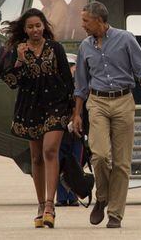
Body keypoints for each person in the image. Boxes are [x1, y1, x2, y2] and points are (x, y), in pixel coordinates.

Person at [72, 1, 141, 228]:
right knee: (98, 155)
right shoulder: (85, 47)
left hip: (123, 101)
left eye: (86, 21)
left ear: (99, 20)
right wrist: (77, 114)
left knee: (122, 163)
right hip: (97, 101)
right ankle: (102, 197)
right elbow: (80, 84)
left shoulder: (126, 38)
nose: (83, 25)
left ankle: (115, 213)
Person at [0, 8, 74, 228]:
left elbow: (67, 79)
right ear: (24, 29)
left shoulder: (55, 48)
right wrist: (20, 61)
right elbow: (12, 81)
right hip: (30, 108)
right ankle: (41, 206)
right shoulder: (17, 50)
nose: (35, 30)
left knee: (50, 150)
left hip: (56, 105)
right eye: (30, 27)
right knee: (36, 158)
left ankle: (51, 205)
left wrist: (72, 109)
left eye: (38, 26)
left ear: (44, 26)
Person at [55, 53, 83, 207]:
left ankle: (72, 195)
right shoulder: (58, 86)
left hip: (76, 131)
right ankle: (61, 196)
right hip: (61, 129)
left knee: (75, 163)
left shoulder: (81, 86)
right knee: (58, 163)